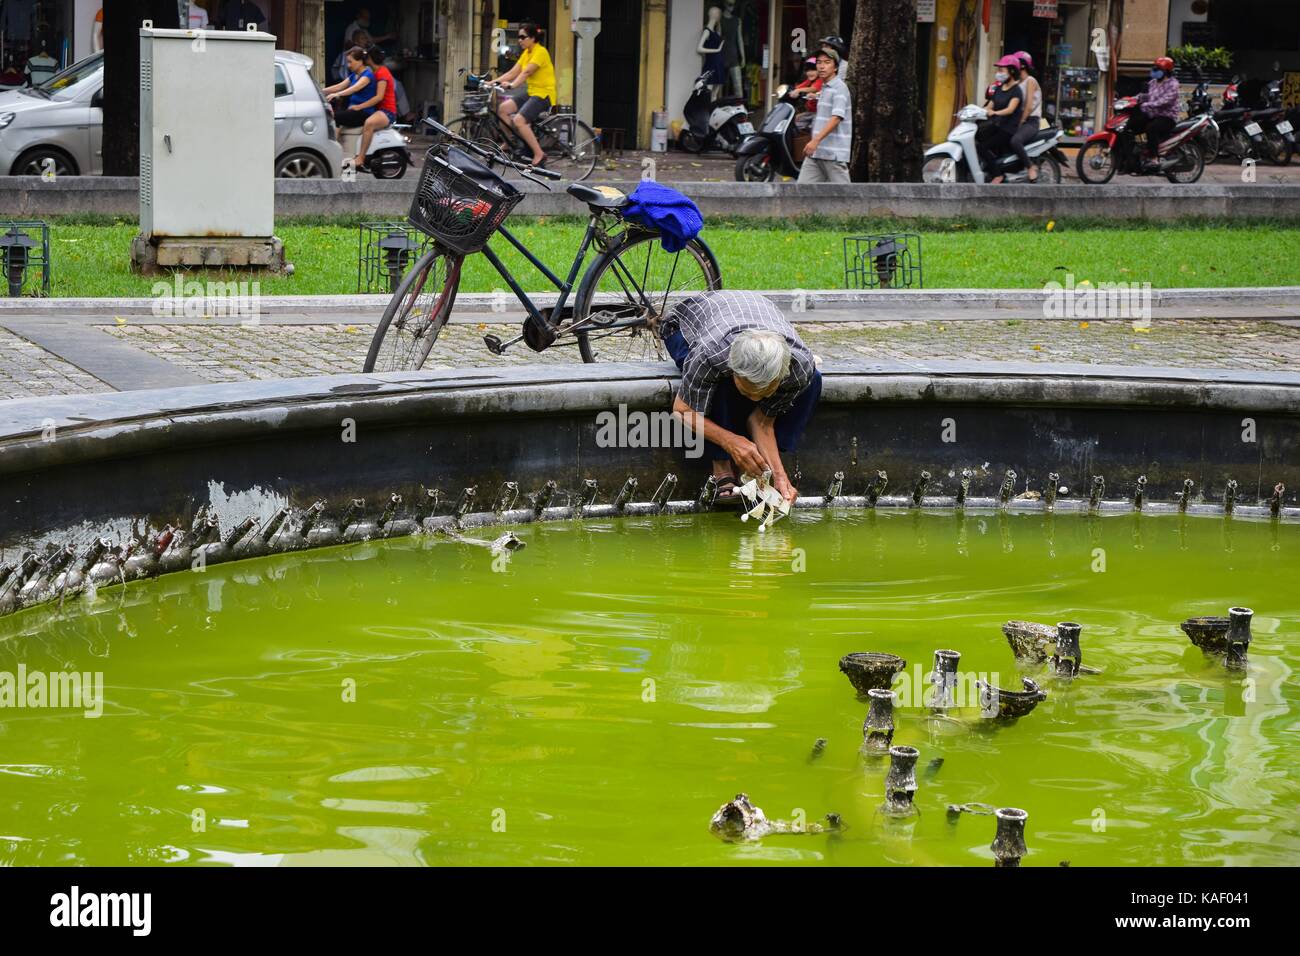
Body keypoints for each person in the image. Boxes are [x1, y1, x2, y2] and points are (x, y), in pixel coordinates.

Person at [660, 290, 822, 504]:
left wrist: (778, 474)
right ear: (732, 368)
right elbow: (682, 410)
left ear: (781, 376)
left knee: (814, 382)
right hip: (684, 325)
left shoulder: (799, 366)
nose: (754, 400)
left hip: (748, 312)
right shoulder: (711, 354)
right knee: (720, 386)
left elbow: (761, 422)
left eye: (765, 392)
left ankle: (760, 470)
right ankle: (721, 468)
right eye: (747, 391)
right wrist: (730, 442)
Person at [488, 22, 555, 167]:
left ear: (532, 38)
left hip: (543, 94)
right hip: (531, 92)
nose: (519, 40)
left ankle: (539, 154)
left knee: (519, 120)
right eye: (518, 37)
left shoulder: (540, 52)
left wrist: (513, 85)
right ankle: (509, 141)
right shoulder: (527, 53)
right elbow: (513, 72)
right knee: (503, 109)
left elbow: (527, 72)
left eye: (522, 37)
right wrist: (493, 82)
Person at [797, 36, 852, 183]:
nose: (821, 66)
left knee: (844, 198)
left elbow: (836, 118)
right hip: (815, 154)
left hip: (833, 154)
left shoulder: (839, 88)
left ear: (835, 67)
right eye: (819, 63)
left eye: (827, 63)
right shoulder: (824, 88)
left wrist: (815, 140)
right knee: (801, 193)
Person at [977, 55, 1024, 183]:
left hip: (1008, 128)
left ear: (1012, 71)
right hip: (997, 124)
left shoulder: (1016, 91)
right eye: (998, 71)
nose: (998, 74)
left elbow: (1010, 109)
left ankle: (998, 174)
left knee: (982, 147)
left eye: (1001, 71)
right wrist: (979, 111)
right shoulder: (999, 88)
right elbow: (990, 105)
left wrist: (994, 112)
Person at [353, 46, 398, 170]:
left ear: (371, 59)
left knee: (369, 123)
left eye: (367, 56)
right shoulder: (375, 71)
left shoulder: (382, 72)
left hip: (387, 112)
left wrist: (360, 106)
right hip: (380, 110)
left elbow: (379, 97)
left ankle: (360, 158)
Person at [1131, 56, 1180, 160]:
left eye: (1158, 69)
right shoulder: (1153, 82)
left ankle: (1153, 158)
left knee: (1151, 128)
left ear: (1166, 71)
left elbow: (1165, 101)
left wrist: (1148, 104)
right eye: (1154, 68)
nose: (1154, 70)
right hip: (1152, 114)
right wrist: (1130, 100)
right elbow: (1144, 95)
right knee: (1132, 124)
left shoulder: (1173, 84)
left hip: (1167, 117)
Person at [1008, 51, 1043, 181]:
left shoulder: (1030, 81)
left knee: (1015, 140)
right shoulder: (1017, 83)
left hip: (1031, 121)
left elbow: (1028, 106)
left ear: (1022, 65)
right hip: (1020, 119)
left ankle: (1030, 167)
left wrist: (1020, 122)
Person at [323, 47, 375, 135]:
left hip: (363, 112)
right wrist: (320, 90)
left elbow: (354, 88)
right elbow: (339, 86)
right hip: (353, 110)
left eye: (350, 62)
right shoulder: (354, 75)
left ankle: (334, 144)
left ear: (360, 61)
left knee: (335, 117)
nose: (348, 65)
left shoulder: (367, 75)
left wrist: (337, 94)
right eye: (348, 62)